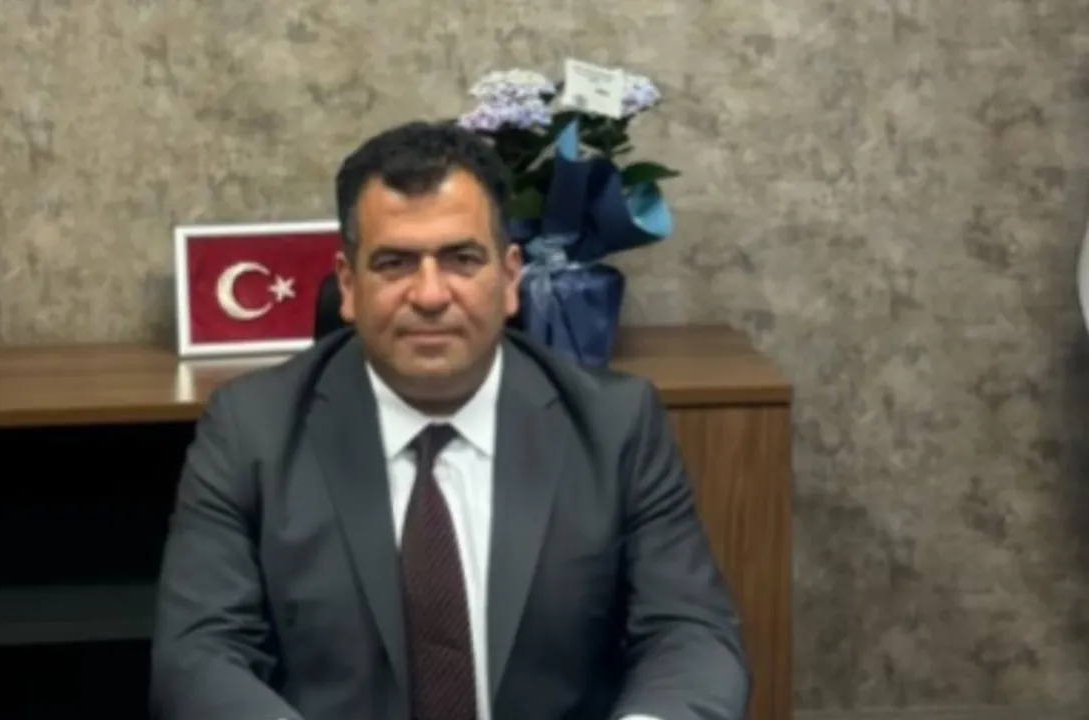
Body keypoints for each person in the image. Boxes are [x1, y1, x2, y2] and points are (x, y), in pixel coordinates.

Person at [150, 120, 750, 720]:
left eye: (462, 259)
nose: (431, 295)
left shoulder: (613, 425)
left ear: (509, 278)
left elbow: (690, 634)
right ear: (348, 285)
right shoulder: (251, 431)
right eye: (394, 263)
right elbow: (199, 657)